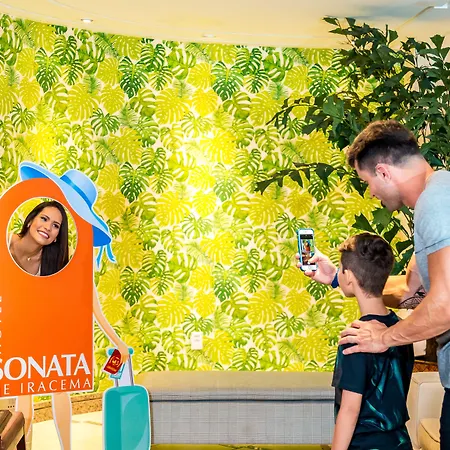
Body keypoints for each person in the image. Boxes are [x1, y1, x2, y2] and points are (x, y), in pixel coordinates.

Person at [302, 120, 450, 449]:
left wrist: (383, 338)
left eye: (367, 182)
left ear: (383, 171)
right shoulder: (438, 195)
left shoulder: (436, 203)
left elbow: (445, 305)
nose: (370, 192)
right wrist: (339, 278)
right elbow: (411, 291)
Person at [8, 200, 129, 450]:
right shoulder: (6, 242)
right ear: (30, 220)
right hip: (17, 330)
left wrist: (118, 342)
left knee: (59, 386)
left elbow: (91, 301)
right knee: (24, 398)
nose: (48, 227)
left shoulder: (57, 257)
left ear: (57, 236)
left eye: (56, 226)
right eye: (44, 219)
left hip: (46, 328)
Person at [331, 233, 414, 450]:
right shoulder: (401, 331)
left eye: (340, 268)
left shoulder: (356, 337)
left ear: (349, 276)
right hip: (400, 442)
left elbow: (349, 411)